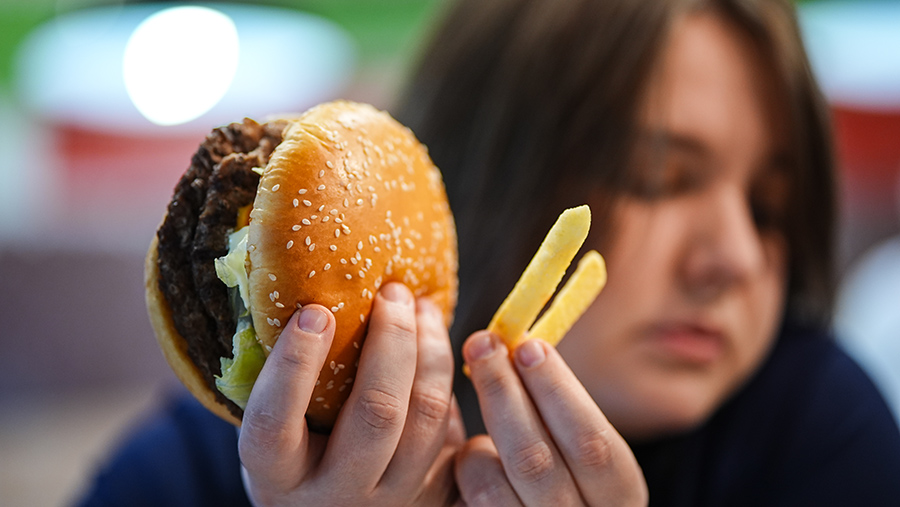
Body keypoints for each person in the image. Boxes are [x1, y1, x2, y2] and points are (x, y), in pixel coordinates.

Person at [76, 0, 900, 505]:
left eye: (767, 209)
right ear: (481, 165)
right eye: (658, 177)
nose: (736, 258)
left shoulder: (821, 435)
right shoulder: (206, 460)